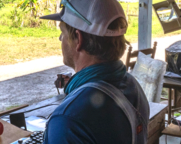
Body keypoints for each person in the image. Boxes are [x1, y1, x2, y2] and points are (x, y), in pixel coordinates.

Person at [40, 0, 149, 143]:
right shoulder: (133, 86)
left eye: (63, 32)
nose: (61, 39)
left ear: (78, 39)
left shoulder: (68, 120)